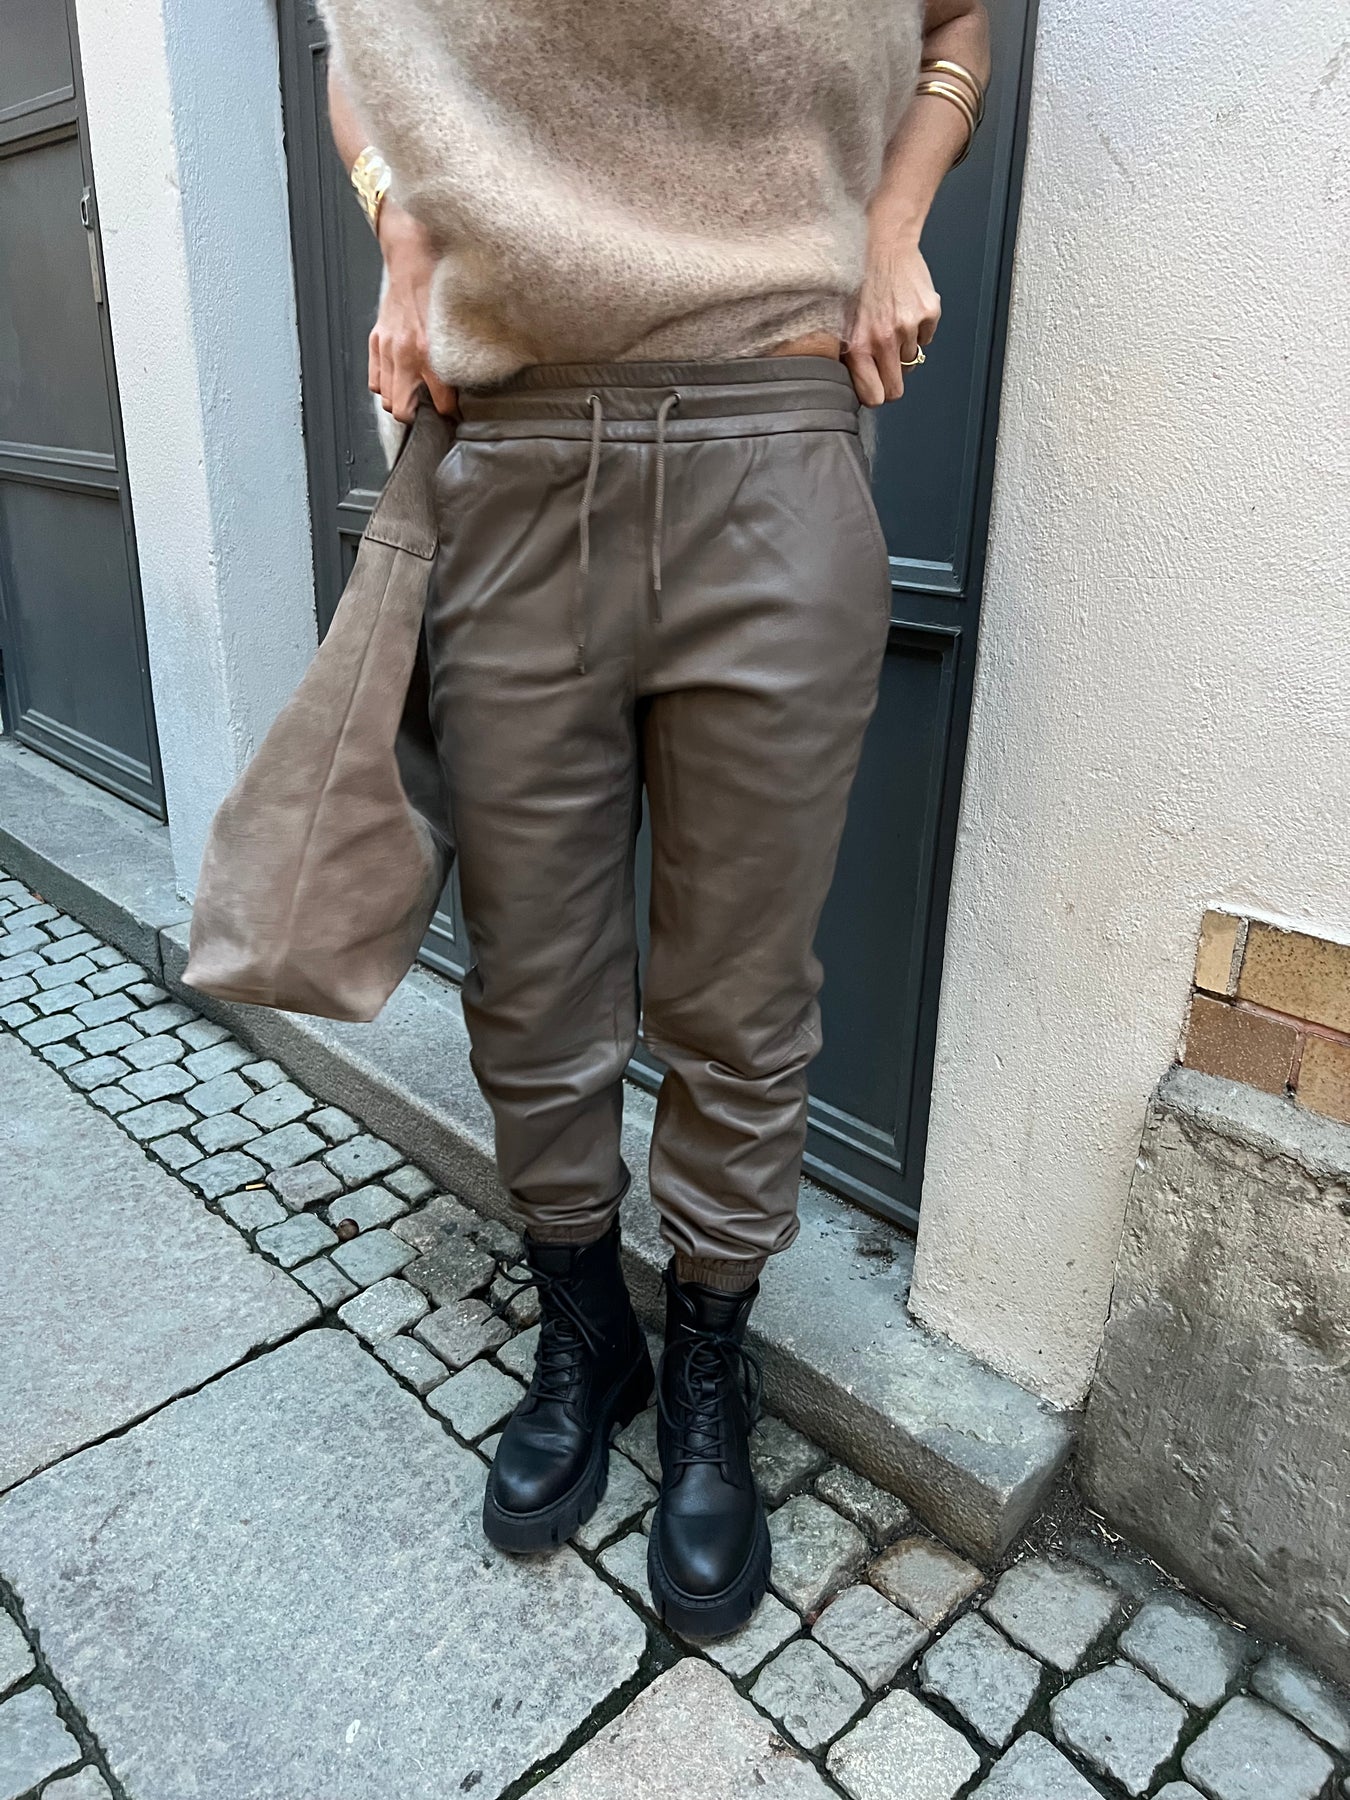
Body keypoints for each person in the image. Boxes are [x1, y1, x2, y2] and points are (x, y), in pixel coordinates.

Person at [321, 0, 989, 1639]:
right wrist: (399, 230)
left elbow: (962, 20)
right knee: (529, 982)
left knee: (738, 995)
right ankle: (584, 1334)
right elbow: (362, 44)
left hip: (772, 447)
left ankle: (705, 1363)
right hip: (511, 458)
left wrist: (892, 217)